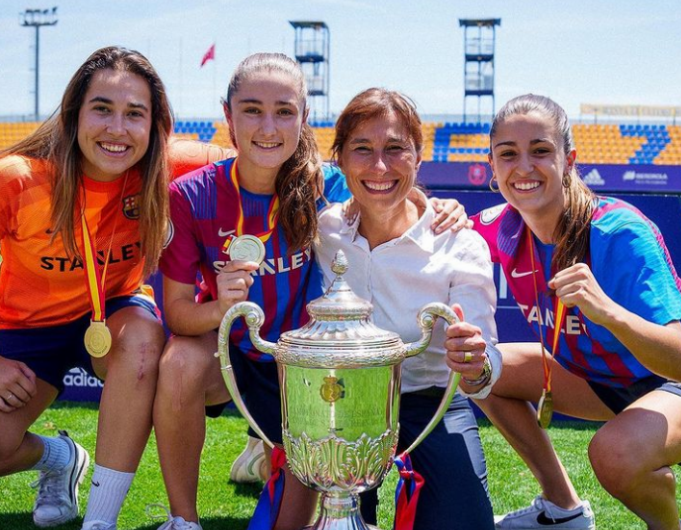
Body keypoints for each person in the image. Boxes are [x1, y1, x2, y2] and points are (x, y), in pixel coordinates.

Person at [152, 54, 468, 530]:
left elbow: (388, 188)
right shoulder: (190, 195)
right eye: (252, 109)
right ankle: (184, 519)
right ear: (228, 116)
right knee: (178, 360)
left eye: (284, 111)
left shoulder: (326, 184)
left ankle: (265, 454)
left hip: (301, 374)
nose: (268, 126)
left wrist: (435, 202)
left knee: (302, 508)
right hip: (231, 360)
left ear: (304, 118)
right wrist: (221, 306)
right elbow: (176, 315)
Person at [0, 46, 232, 530]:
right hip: (23, 329)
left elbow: (271, 158)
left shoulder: (171, 164)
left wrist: (410, 196)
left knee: (145, 339)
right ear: (74, 114)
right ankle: (59, 457)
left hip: (114, 311)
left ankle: (99, 523)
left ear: (154, 124)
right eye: (102, 109)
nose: (117, 129)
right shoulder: (18, 179)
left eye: (135, 114)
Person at [472, 94, 681, 530]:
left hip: (667, 381)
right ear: (492, 165)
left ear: (570, 159)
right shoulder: (500, 225)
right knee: (479, 369)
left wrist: (609, 313)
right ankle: (563, 508)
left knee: (614, 454)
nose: (524, 167)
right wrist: (436, 210)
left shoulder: (618, 233)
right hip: (603, 382)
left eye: (541, 151)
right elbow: (423, 224)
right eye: (508, 154)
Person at [315, 87, 501, 530]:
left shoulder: (460, 243)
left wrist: (474, 363)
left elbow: (486, 361)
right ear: (339, 158)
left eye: (395, 149)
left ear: (419, 157)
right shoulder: (324, 229)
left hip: (431, 404)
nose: (379, 166)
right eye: (362, 149)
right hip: (341, 405)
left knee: (465, 524)